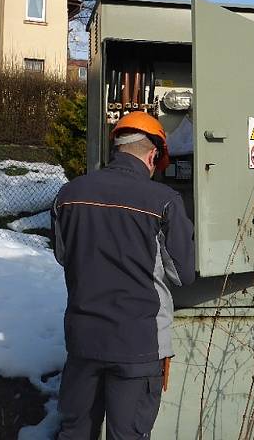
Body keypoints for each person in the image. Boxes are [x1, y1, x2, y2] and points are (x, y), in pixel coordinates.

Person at [51, 111, 195, 439]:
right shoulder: (164, 202)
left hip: (83, 342)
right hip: (138, 345)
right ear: (152, 155)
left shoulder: (68, 195)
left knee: (75, 431)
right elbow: (182, 274)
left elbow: (63, 257)